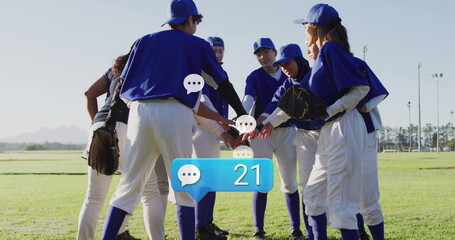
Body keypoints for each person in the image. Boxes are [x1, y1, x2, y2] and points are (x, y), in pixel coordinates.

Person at [100, 1, 247, 239]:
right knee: (184, 188)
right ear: (190, 20)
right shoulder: (197, 44)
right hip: (174, 113)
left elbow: (123, 83)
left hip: (139, 112)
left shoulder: (143, 41)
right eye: (195, 22)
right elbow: (222, 82)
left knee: (128, 188)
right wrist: (241, 113)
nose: (195, 27)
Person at [294, 3, 370, 239]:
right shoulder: (321, 57)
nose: (303, 32)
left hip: (343, 126)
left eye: (305, 26)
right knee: (313, 195)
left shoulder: (330, 50)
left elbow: (361, 88)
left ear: (314, 27)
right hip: (329, 131)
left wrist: (329, 110)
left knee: (341, 205)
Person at [78, 52, 167, 240]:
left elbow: (90, 94)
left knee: (93, 198)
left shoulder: (116, 69)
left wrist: (97, 123)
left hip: (99, 127)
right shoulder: (150, 69)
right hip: (129, 128)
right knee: (149, 193)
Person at [256, 43, 323, 240]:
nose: (285, 68)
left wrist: (268, 124)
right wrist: (260, 125)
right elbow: (277, 107)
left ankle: (359, 230)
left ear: (299, 60)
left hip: (327, 135)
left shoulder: (316, 76)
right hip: (303, 137)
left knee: (340, 186)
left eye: (288, 63)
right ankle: (312, 233)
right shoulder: (287, 83)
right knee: (307, 187)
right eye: (281, 65)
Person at [242, 38, 303, 240]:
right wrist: (242, 119)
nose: (263, 56)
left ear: (275, 52)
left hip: (287, 132)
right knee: (261, 181)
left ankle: (296, 229)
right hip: (260, 135)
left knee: (290, 182)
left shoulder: (288, 74)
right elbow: (248, 99)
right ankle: (259, 230)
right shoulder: (255, 76)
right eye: (258, 54)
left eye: (266, 51)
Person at [192, 36, 232, 240]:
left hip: (216, 131)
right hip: (202, 129)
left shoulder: (221, 74)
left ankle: (207, 222)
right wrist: (223, 125)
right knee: (204, 181)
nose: (217, 54)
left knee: (212, 180)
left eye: (220, 50)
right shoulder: (201, 72)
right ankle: (200, 228)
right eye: (213, 50)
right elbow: (203, 103)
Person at [354, 56, 389, 240]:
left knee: (367, 196)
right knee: (345, 195)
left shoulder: (357, 64)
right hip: (337, 136)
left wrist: (365, 106)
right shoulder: (320, 68)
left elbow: (378, 92)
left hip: (365, 130)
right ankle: (360, 233)